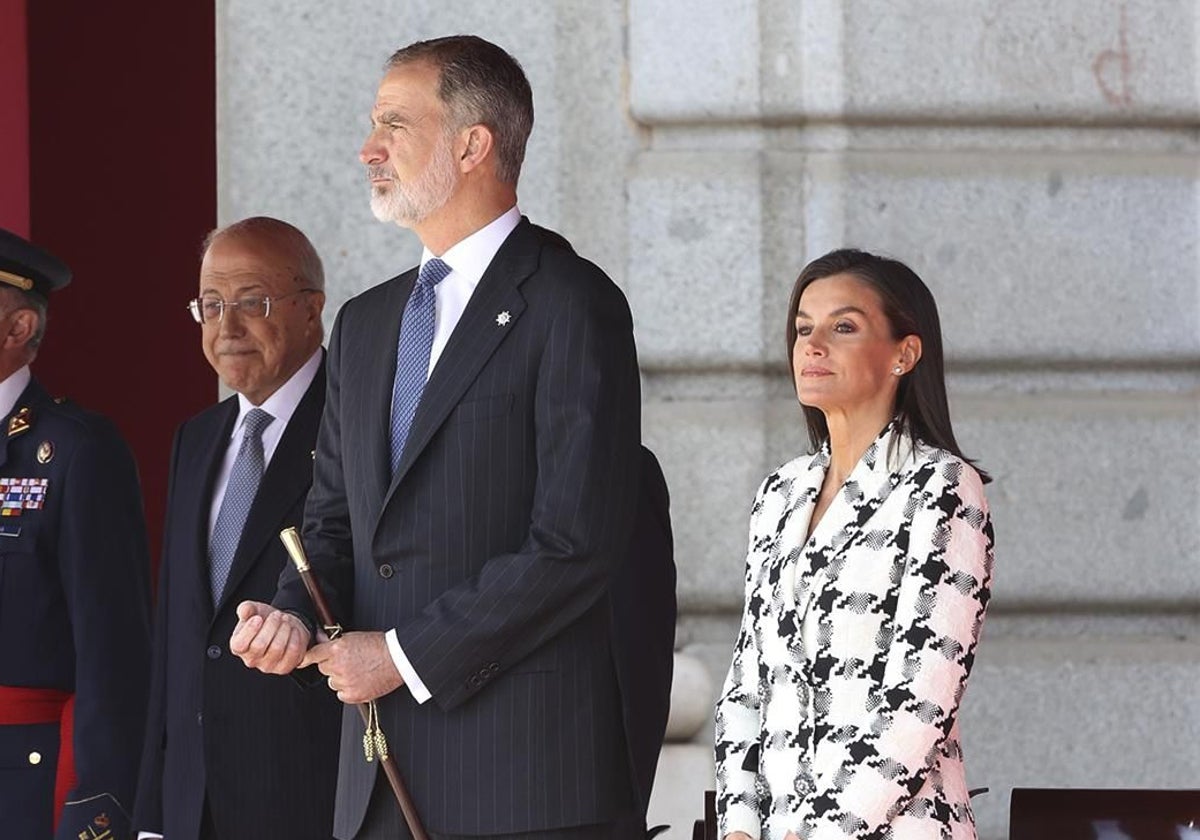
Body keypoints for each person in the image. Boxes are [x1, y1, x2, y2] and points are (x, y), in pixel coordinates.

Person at [231, 35, 673, 840]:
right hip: (377, 783)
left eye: (395, 125)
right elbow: (334, 523)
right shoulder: (365, 325)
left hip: (524, 788)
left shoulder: (573, 304)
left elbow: (575, 543)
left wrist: (399, 656)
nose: (368, 149)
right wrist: (295, 612)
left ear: (473, 144)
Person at [714, 249, 995, 840]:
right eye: (802, 328)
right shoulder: (781, 493)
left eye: (843, 327)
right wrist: (738, 825)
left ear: (904, 354)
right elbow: (746, 681)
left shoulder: (941, 486)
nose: (813, 345)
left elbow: (921, 701)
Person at [133, 217, 342, 840]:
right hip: (191, 805)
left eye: (253, 302)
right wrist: (151, 814)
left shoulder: (355, 423)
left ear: (311, 309)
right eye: (212, 304)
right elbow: (177, 636)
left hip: (309, 797)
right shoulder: (196, 438)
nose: (227, 328)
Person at [0, 227, 152, 840]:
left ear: (18, 330)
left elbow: (113, 649)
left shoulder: (74, 449)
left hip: (25, 780)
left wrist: (97, 799)